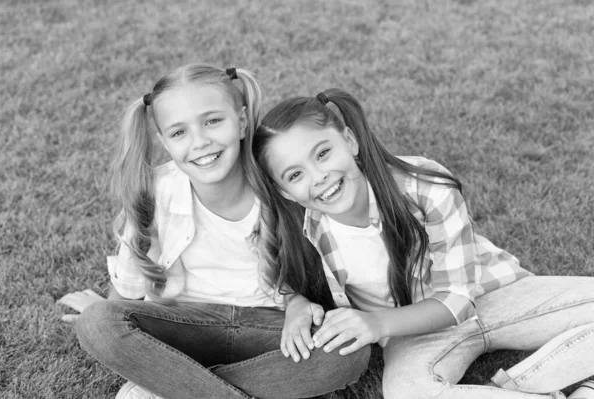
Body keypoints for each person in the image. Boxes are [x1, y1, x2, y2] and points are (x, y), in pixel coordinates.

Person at [251, 88, 594, 399]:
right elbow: (275, 280)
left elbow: (457, 301)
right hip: (411, 332)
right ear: (284, 192)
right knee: (408, 391)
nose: (318, 176)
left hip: (492, 295)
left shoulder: (422, 186)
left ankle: (513, 389)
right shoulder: (299, 228)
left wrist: (374, 324)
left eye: (323, 153)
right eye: (295, 175)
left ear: (350, 141)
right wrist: (295, 302)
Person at [58, 67, 370, 399]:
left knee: (349, 350)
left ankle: (174, 385)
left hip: (270, 329)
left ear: (242, 121)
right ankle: (194, 384)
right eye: (179, 133)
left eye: (212, 121)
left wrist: (296, 302)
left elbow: (316, 261)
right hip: (185, 327)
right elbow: (128, 286)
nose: (200, 142)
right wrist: (110, 313)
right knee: (97, 324)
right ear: (164, 141)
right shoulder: (155, 193)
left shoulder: (283, 181)